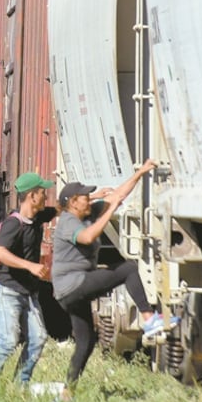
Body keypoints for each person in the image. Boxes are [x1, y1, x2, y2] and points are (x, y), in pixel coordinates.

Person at [51, 158, 174, 389]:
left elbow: (118, 195)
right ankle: (149, 320)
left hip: (71, 290)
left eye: (90, 195)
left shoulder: (86, 212)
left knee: (86, 342)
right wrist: (109, 212)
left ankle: (68, 390)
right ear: (73, 203)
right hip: (72, 285)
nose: (89, 198)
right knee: (127, 269)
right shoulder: (67, 222)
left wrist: (140, 174)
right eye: (85, 196)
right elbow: (87, 237)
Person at [0, 171, 57, 397]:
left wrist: (96, 197)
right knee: (8, 341)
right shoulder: (13, 224)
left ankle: (19, 386)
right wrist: (30, 266)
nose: (46, 196)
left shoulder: (39, 216)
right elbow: (0, 253)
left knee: (39, 338)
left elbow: (62, 208)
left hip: (28, 292)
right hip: (7, 291)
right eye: (42, 192)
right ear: (32, 196)